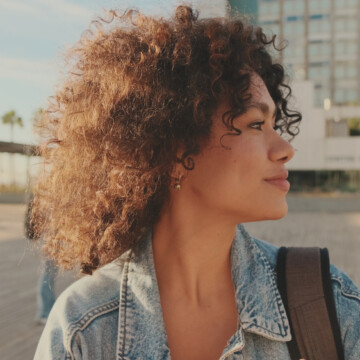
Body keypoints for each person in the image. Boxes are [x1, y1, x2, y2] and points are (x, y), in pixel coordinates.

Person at [31, 5, 360, 359]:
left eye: (275, 125)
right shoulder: (85, 328)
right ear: (175, 146)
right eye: (254, 124)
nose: (285, 149)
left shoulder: (327, 303)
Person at [24, 196, 58, 324]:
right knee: (48, 274)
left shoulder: (42, 193)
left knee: (50, 274)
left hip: (50, 239)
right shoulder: (44, 196)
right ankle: (44, 312)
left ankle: (48, 309)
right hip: (49, 239)